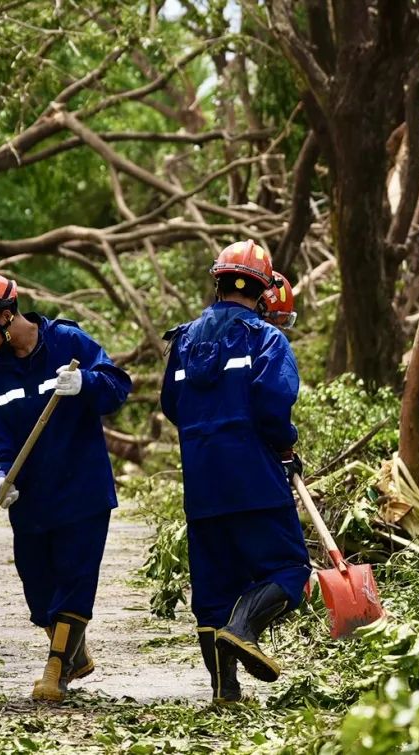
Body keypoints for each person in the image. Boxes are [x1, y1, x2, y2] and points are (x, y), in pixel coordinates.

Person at [0, 271, 132, 702]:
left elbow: (118, 387)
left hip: (82, 489)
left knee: (74, 577)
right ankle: (74, 652)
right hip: (32, 495)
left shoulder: (69, 342)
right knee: (37, 584)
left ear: (6, 315)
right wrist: (0, 474)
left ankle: (56, 672)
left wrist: (86, 383)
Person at [160, 240, 310, 704]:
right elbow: (272, 405)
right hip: (254, 478)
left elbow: (171, 406)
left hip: (203, 483)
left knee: (213, 587)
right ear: (264, 292)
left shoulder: (183, 341)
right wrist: (287, 445)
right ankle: (245, 626)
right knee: (290, 568)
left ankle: (224, 690)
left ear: (218, 281)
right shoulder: (267, 339)